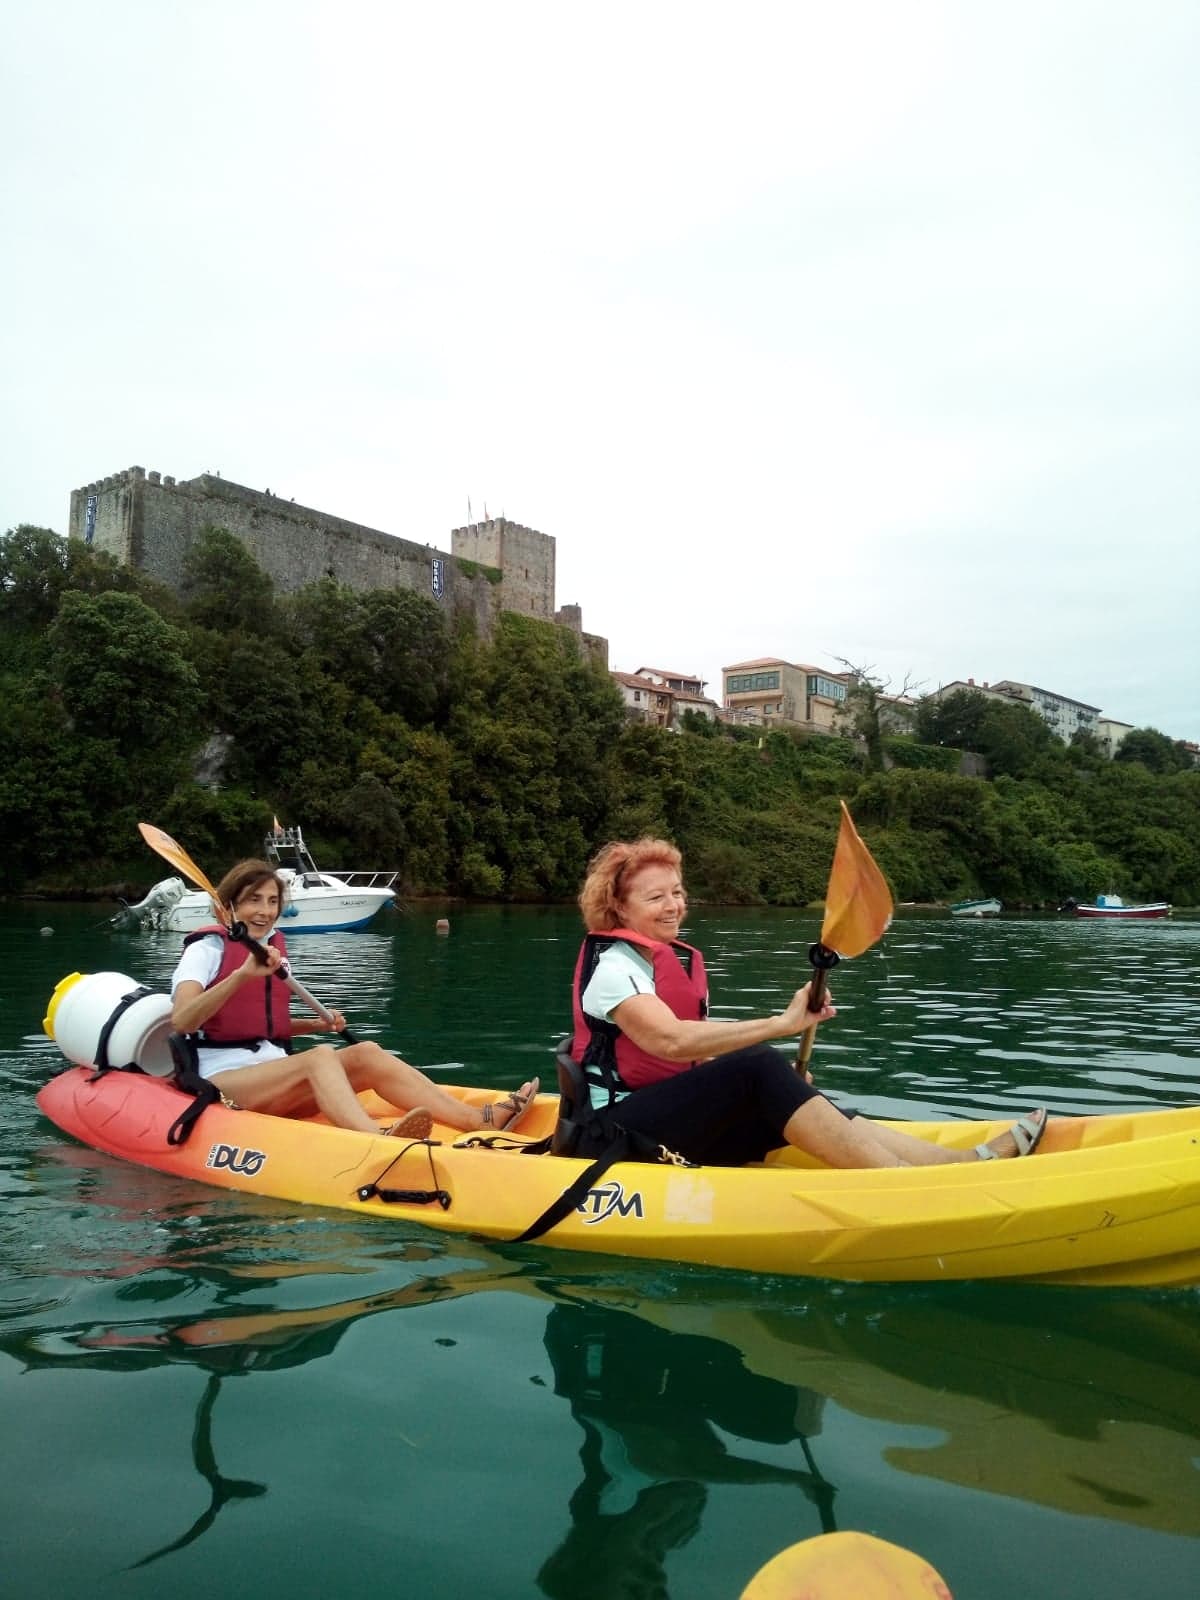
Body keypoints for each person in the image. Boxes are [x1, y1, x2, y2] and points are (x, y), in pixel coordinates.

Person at [569, 838, 1047, 1169]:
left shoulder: (672, 959)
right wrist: (782, 1024)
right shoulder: (613, 966)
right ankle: (900, 1180)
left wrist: (782, 1081)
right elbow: (668, 1040)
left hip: (660, 1115)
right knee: (758, 1065)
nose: (673, 905)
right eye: (656, 897)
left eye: (677, 892)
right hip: (612, 1132)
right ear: (620, 908)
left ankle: (958, 1163)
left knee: (785, 1086)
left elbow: (694, 1056)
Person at [170, 858, 537, 1138]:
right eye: (254, 900)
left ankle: (478, 1120)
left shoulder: (273, 951)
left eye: (272, 901)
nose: (265, 911)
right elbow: (183, 1020)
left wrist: (316, 1024)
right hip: (223, 1077)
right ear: (229, 906)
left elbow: (264, 1025)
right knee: (319, 1058)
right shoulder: (208, 948)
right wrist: (240, 976)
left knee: (367, 1053)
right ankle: (372, 1137)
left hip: (271, 1069)